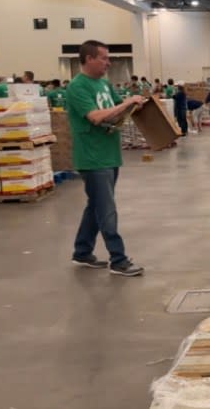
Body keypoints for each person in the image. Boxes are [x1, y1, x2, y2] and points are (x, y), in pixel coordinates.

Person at [66, 40, 145, 276]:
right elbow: (95, 116)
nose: (108, 63)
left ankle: (82, 251)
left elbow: (116, 110)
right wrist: (128, 102)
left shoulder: (103, 84)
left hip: (109, 154)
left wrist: (133, 107)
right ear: (89, 59)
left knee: (96, 206)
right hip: (92, 157)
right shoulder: (77, 87)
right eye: (104, 58)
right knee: (106, 209)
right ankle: (118, 259)